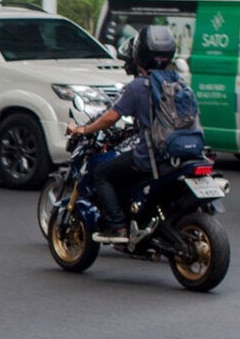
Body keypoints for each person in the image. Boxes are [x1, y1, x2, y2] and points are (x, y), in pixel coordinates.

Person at [66, 23, 179, 243]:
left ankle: (117, 226)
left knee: (102, 172)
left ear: (139, 55)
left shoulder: (138, 86)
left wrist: (83, 129)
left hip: (153, 154)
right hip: (182, 151)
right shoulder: (178, 82)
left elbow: (110, 117)